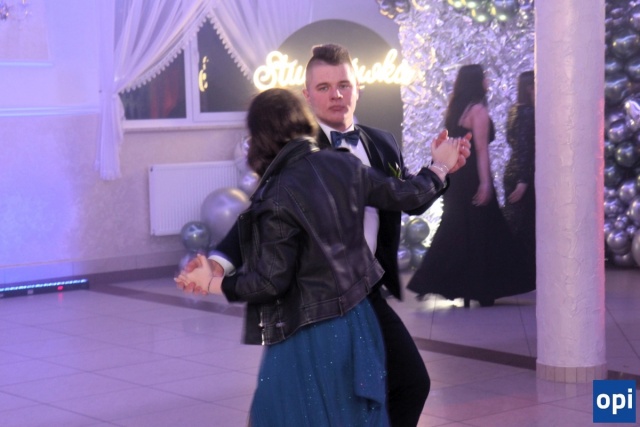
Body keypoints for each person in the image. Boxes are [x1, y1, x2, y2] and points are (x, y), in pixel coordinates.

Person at [202, 44, 471, 427]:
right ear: (307, 95)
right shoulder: (298, 150)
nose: (336, 95)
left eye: (344, 85)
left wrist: (439, 168)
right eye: (324, 87)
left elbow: (403, 198)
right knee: (325, 401)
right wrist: (221, 260)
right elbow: (261, 212)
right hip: (316, 300)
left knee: (409, 384)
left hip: (366, 290)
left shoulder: (381, 142)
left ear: (358, 88)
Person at [407, 64, 535, 308]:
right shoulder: (478, 110)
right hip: (473, 175)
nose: (488, 80)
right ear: (476, 81)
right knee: (485, 229)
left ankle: (436, 281)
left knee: (457, 227)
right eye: (484, 76)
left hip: (456, 174)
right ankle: (481, 288)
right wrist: (485, 183)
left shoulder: (457, 109)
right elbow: (481, 150)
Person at [503, 70, 536, 283]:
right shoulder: (527, 113)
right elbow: (525, 149)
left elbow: (513, 142)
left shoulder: (515, 110)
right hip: (522, 175)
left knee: (517, 223)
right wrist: (524, 180)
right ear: (530, 88)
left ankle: (517, 273)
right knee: (522, 227)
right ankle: (520, 274)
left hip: (512, 171)